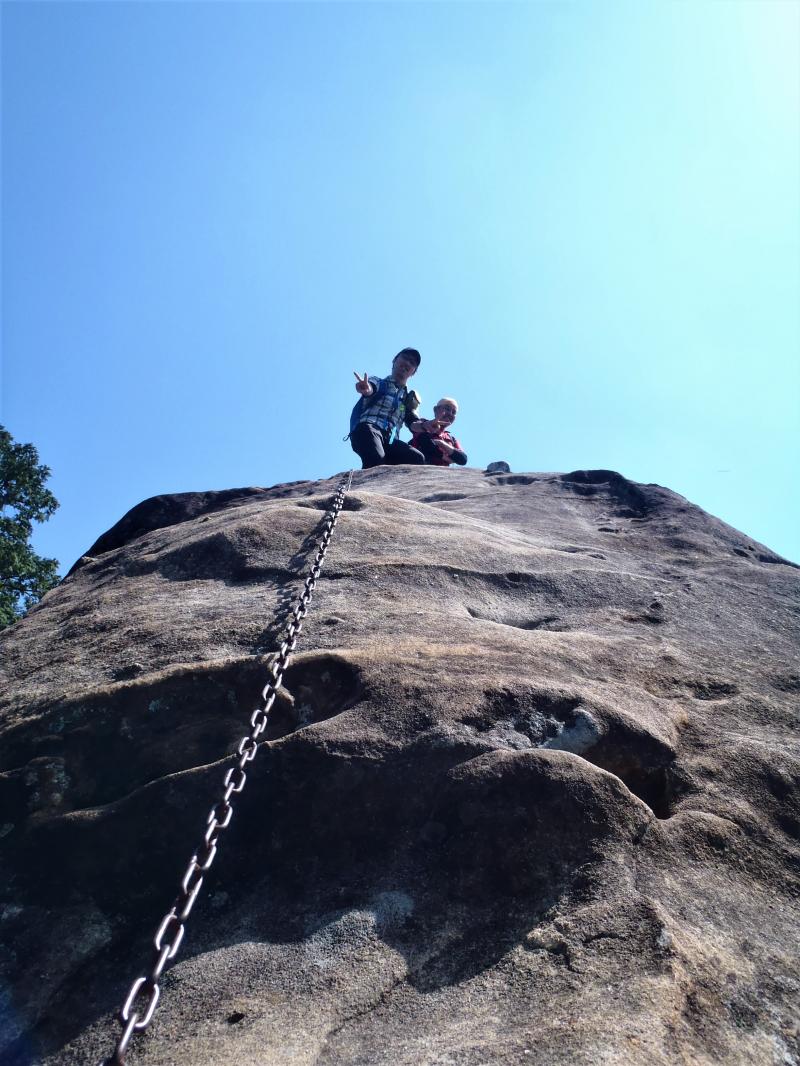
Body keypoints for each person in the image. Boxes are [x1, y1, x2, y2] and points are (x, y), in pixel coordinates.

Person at [349, 348, 426, 469]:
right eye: (405, 358)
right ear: (394, 360)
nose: (407, 363)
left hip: (390, 440)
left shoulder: (407, 398)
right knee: (376, 459)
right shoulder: (379, 382)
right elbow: (371, 388)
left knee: (416, 458)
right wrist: (366, 389)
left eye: (412, 363)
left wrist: (424, 426)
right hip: (369, 428)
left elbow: (411, 421)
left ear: (413, 372)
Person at [410, 397, 467, 466]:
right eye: (447, 409)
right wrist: (446, 457)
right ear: (435, 409)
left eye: (454, 412)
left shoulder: (452, 439)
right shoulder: (424, 424)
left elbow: (463, 459)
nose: (450, 414)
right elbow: (426, 444)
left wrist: (441, 443)